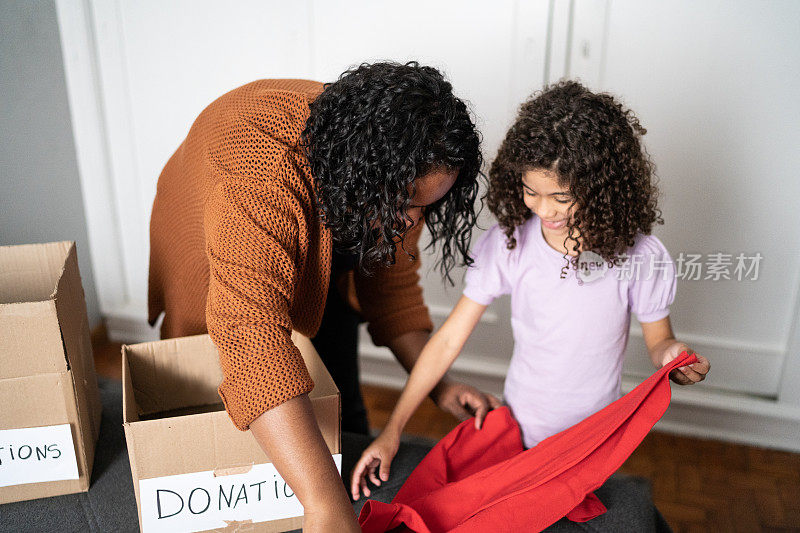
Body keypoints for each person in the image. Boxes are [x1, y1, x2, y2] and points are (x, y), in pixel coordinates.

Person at [148, 62, 499, 531]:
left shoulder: (398, 172)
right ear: (364, 175)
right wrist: (322, 502)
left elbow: (392, 292)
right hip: (217, 242)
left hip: (324, 245)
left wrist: (440, 383)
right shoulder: (261, 172)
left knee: (338, 403)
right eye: (407, 204)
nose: (415, 221)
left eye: (427, 207)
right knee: (225, 408)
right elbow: (252, 336)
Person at [351, 80, 711, 500]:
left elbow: (659, 340)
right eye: (530, 192)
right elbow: (448, 339)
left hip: (593, 441)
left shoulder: (639, 256)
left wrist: (672, 356)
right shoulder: (510, 244)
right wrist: (392, 430)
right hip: (517, 427)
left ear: (602, 188)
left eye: (561, 197)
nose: (543, 210)